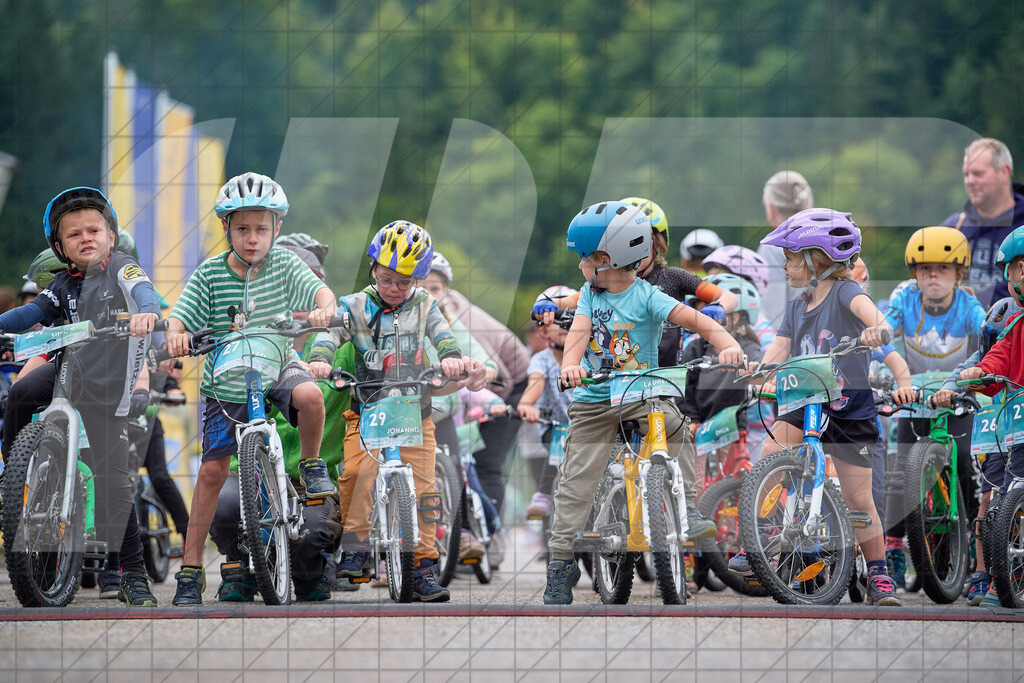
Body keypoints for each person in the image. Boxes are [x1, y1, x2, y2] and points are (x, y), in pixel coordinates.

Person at [543, 200, 745, 605]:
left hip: (644, 391)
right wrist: (570, 365)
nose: (581, 267)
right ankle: (561, 560)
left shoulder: (649, 296)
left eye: (585, 259)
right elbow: (579, 333)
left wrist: (728, 344)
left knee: (675, 425)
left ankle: (685, 508)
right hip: (597, 399)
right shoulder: (588, 293)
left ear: (607, 259)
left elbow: (696, 320)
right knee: (576, 482)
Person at [164, 172, 338, 606]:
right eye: (243, 229)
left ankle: (312, 464)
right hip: (226, 377)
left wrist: (324, 312)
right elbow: (179, 316)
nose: (253, 238)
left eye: (262, 229)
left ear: (277, 229)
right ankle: (189, 571)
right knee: (210, 474)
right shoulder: (208, 274)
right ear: (226, 228)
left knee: (311, 396)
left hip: (278, 362)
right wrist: (175, 335)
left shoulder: (285, 264)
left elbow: (322, 294)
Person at [729, 208, 915, 607]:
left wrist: (876, 329)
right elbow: (779, 348)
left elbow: (875, 317)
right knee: (770, 456)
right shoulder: (796, 307)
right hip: (804, 399)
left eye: (793, 257)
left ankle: (879, 575)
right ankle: (757, 536)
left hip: (849, 408)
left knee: (858, 500)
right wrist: (760, 368)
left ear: (819, 260)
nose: (786, 264)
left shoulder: (846, 292)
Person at [0, 186, 162, 606]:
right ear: (60, 247)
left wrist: (147, 311)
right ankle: (14, 472)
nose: (86, 238)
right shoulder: (61, 284)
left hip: (107, 386)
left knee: (112, 480)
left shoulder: (122, 269)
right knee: (20, 392)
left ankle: (133, 574)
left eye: (94, 229)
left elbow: (144, 290)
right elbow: (31, 314)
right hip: (70, 369)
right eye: (74, 235)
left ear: (110, 234)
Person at [316, 220, 487, 602]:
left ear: (418, 281)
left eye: (405, 282)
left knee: (426, 491)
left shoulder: (426, 306)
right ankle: (357, 544)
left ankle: (424, 570)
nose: (395, 288)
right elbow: (328, 334)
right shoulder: (354, 306)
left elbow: (443, 336)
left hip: (414, 410)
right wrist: (319, 360)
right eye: (389, 278)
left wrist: (452, 360)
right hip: (368, 409)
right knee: (357, 472)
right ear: (374, 269)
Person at [210, 243, 347, 603]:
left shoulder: (341, 346)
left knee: (315, 532)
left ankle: (309, 567)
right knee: (222, 506)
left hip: (308, 483)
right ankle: (238, 565)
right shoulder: (243, 346)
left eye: (308, 289)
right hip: (248, 479)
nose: (300, 303)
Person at [882, 227, 986, 589]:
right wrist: (878, 367)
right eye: (925, 269)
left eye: (943, 269)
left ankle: (977, 550)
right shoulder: (905, 301)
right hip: (914, 404)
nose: (933, 277)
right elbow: (883, 332)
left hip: (956, 401)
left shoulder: (969, 306)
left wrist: (971, 374)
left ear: (959, 274)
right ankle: (894, 548)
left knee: (965, 464)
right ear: (914, 274)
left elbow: (988, 335)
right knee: (897, 474)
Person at [429, 252, 530, 569]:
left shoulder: (456, 319)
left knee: (484, 465)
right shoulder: (418, 309)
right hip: (453, 395)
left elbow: (495, 374)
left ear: (446, 290)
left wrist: (486, 401)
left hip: (511, 384)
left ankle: (491, 541)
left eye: (433, 288)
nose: (426, 294)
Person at [959, 224, 1024, 607]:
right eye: (1017, 268)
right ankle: (1004, 580)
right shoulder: (1014, 325)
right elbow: (999, 360)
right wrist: (979, 371)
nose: (1021, 276)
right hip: (1019, 426)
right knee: (1006, 495)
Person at [678, 273, 763, 490]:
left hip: (732, 427)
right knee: (697, 484)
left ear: (736, 318)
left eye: (711, 315)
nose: (705, 323)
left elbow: (758, 363)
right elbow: (684, 390)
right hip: (701, 427)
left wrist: (756, 371)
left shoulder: (748, 347)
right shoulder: (695, 349)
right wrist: (693, 420)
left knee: (737, 480)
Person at [941, 138, 1024, 307]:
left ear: (1004, 172)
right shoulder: (953, 228)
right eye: (966, 174)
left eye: (978, 173)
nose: (969, 181)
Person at [517, 286, 576, 520]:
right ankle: (543, 492)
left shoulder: (591, 356)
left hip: (591, 423)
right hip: (555, 427)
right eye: (556, 321)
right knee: (561, 439)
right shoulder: (541, 360)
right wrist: (526, 404)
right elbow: (535, 383)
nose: (563, 326)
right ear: (542, 331)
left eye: (569, 320)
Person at [757, 170, 815, 328]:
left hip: (797, 344)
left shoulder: (772, 246)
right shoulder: (830, 235)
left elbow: (773, 314)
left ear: (772, 208)